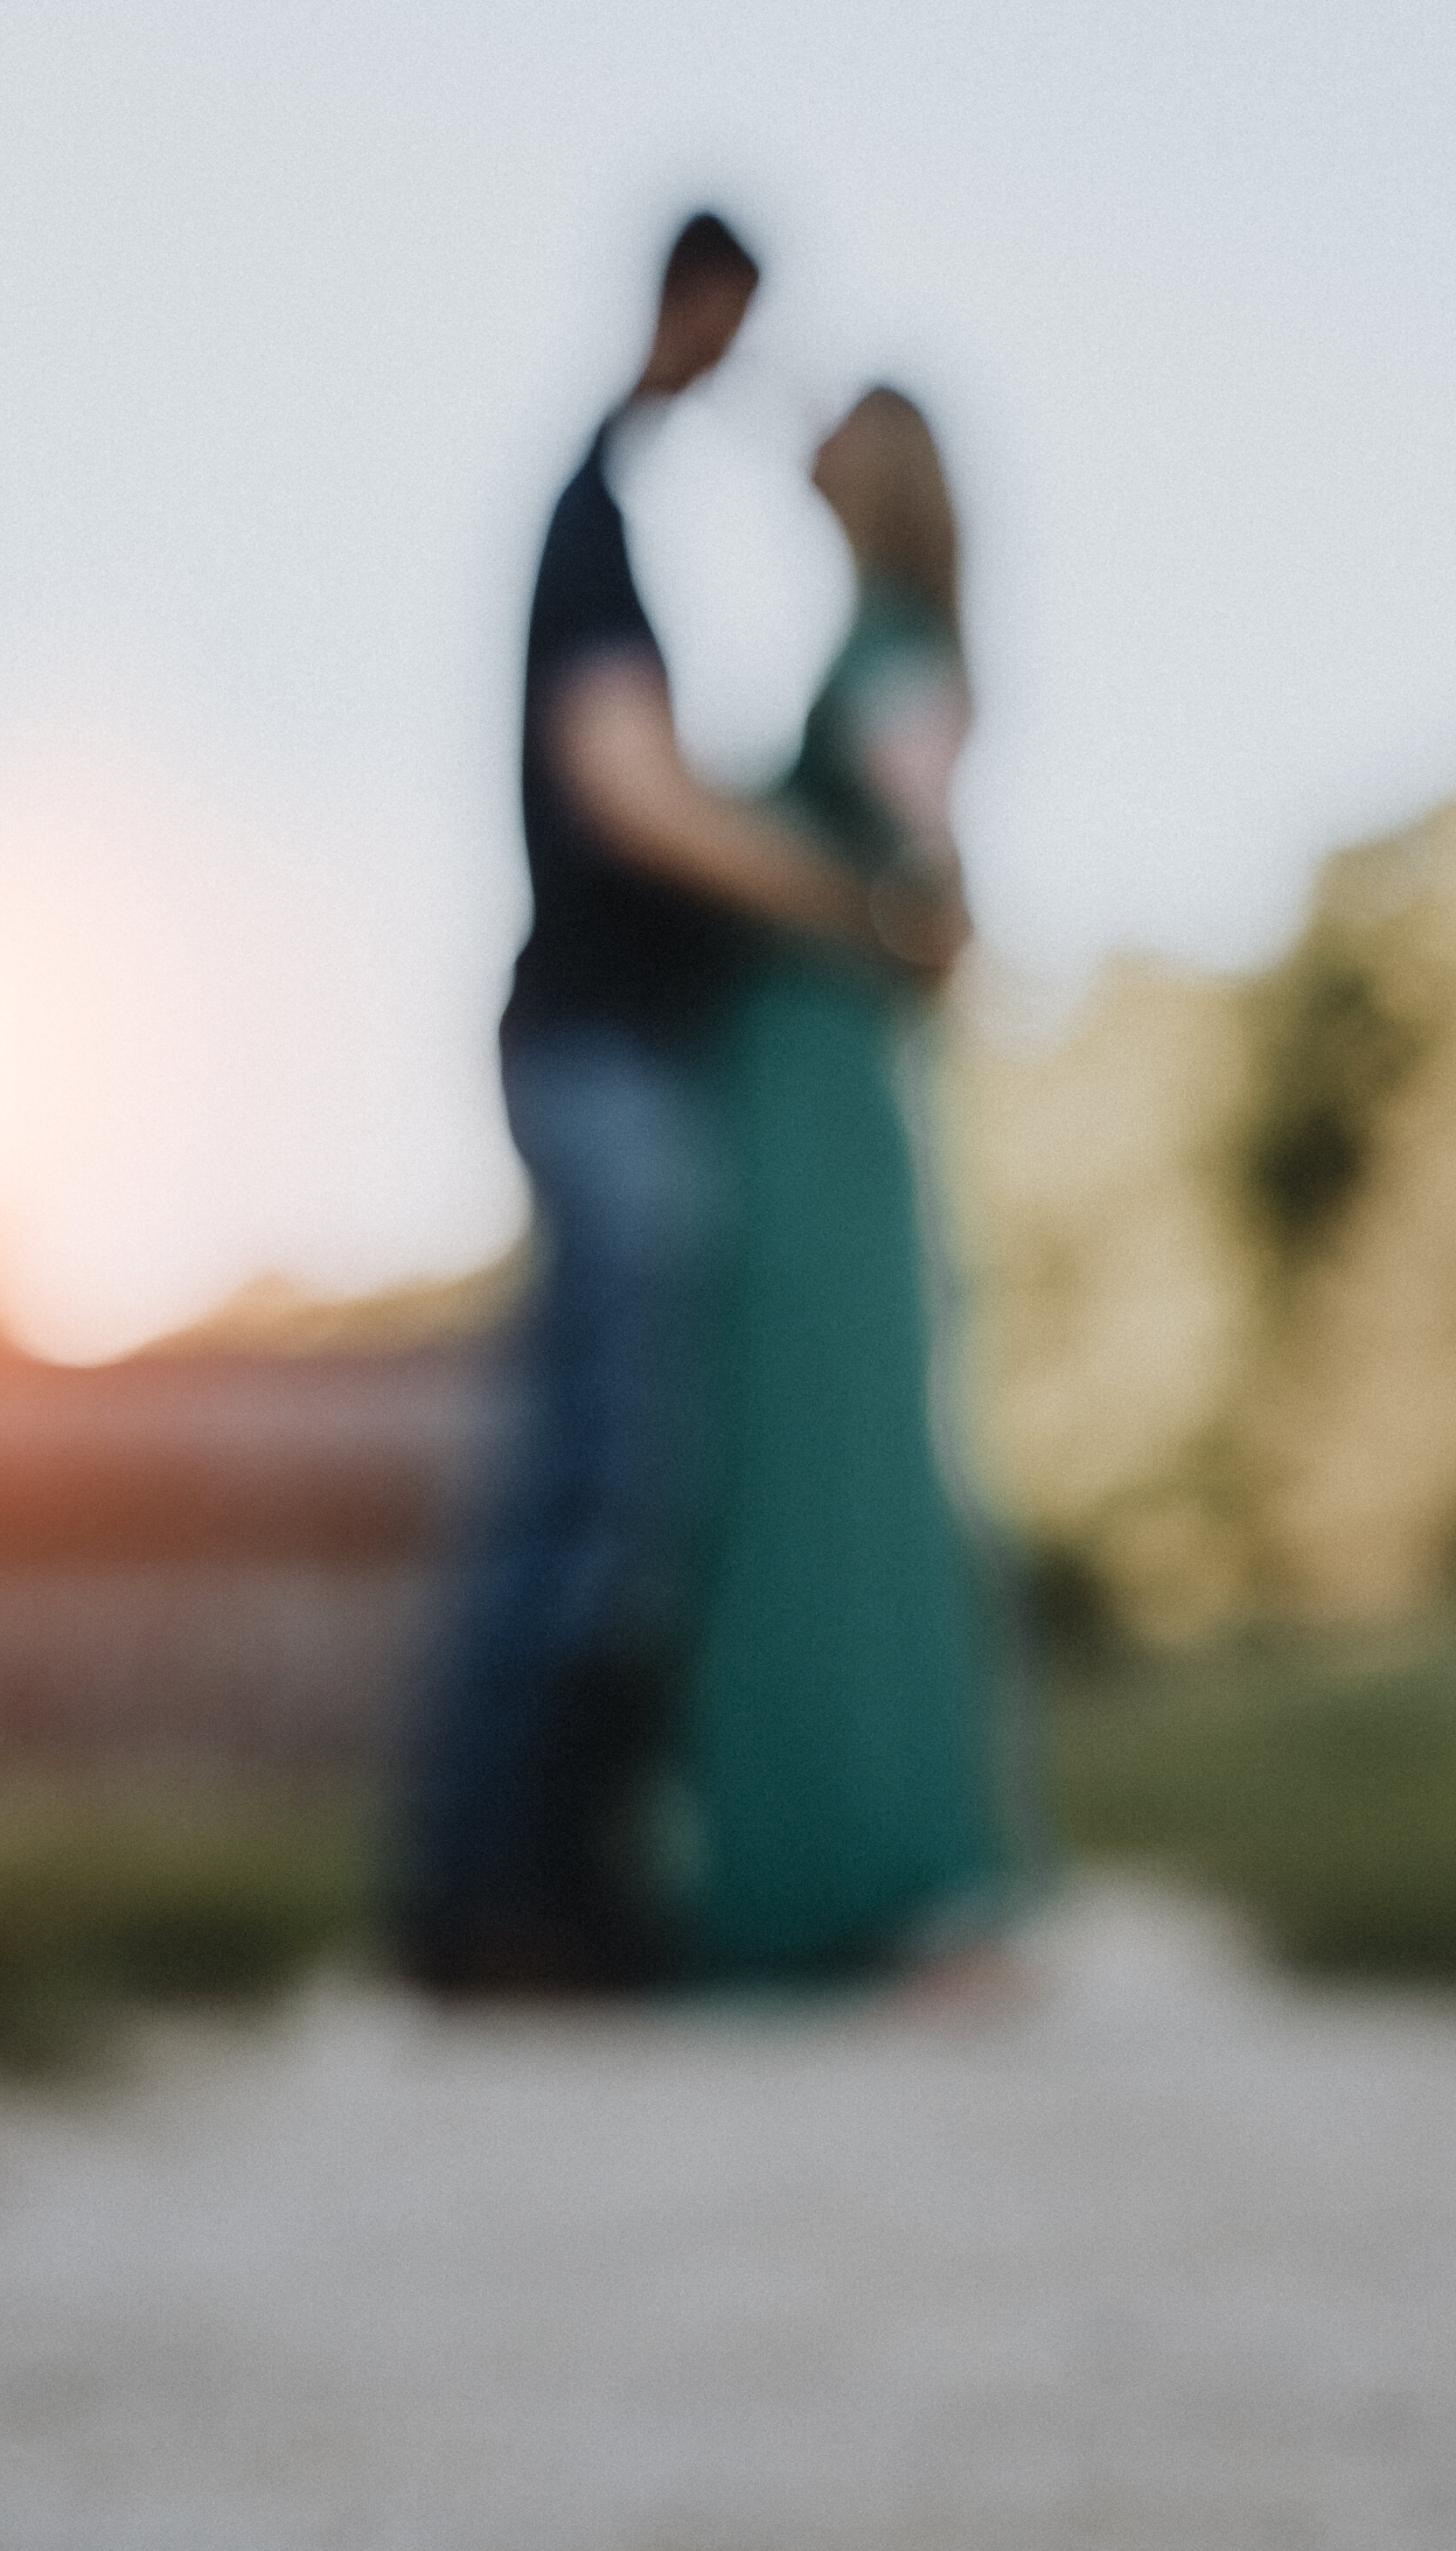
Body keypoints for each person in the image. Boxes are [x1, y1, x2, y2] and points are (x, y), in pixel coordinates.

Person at [394, 218, 951, 1994]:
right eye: (737, 336)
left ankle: (530, 1885)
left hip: (631, 1054)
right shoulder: (592, 518)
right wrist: (841, 904)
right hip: (597, 1050)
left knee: (605, 1474)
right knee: (601, 1488)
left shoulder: (615, 517)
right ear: (693, 312)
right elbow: (635, 791)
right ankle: (507, 1893)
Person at [682, 387, 1024, 1979]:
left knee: (842, 1465)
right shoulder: (878, 631)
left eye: (834, 434)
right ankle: (815, 1861)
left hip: (827, 1081)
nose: (804, 448)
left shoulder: (897, 646)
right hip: (791, 1074)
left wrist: (760, 853)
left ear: (879, 470)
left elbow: (933, 889)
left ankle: (880, 1872)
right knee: (798, 1459)